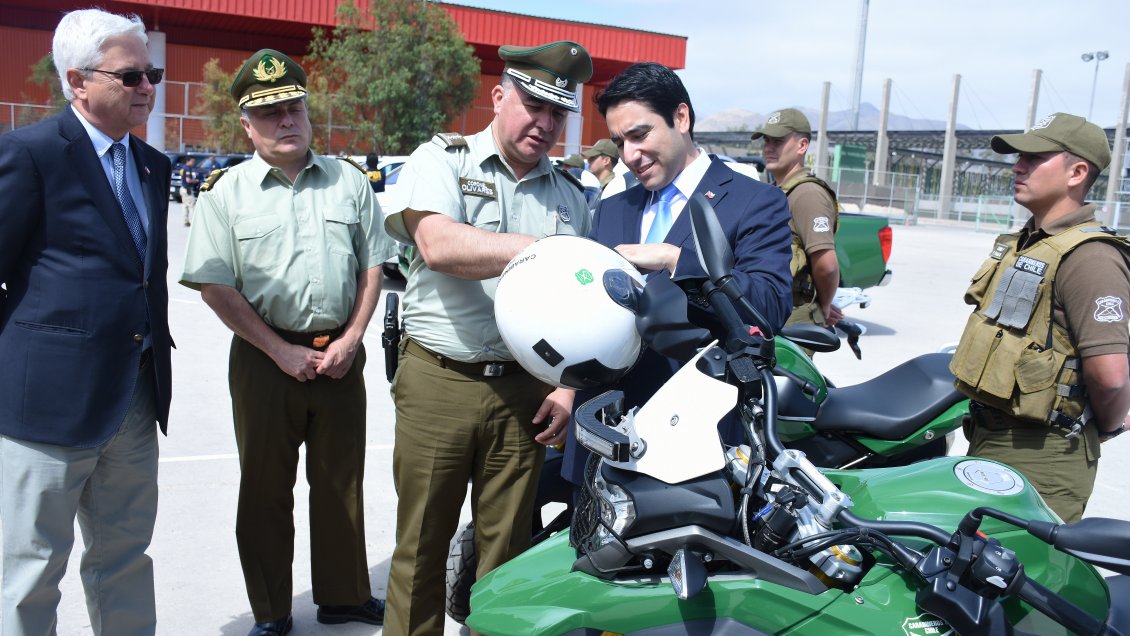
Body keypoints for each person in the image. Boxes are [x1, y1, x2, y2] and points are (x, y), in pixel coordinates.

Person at [180, 49, 394, 635]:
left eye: (294, 107)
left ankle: (344, 596)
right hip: (264, 361)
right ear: (246, 125)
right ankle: (272, 611)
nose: (286, 120)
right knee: (265, 491)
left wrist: (353, 338)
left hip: (341, 356)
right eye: (270, 112)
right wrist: (279, 350)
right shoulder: (226, 193)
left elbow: (373, 265)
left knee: (341, 484)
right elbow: (214, 286)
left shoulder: (350, 182)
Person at [381, 40, 593, 635]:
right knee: (422, 548)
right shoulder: (443, 162)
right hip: (441, 381)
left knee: (507, 557)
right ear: (499, 97)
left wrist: (569, 389)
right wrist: (546, 250)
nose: (545, 123)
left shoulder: (571, 196)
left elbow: (581, 307)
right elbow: (439, 245)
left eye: (558, 113)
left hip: (528, 394)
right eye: (533, 105)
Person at [0, 9, 173, 635]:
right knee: (31, 569)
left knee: (124, 556)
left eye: (151, 74)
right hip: (47, 407)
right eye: (131, 77)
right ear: (77, 81)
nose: (147, 87)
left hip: (135, 396)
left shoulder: (152, 166)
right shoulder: (31, 154)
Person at [561, 61, 792, 487]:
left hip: (694, 447)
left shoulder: (754, 202)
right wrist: (564, 387)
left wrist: (676, 261)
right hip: (604, 438)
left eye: (640, 135)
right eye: (620, 142)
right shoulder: (611, 209)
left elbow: (770, 306)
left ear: (681, 118)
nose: (630, 155)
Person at [951, 112, 1130, 523]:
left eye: (1034, 158)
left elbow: (1111, 376)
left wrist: (1103, 426)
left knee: (1018, 563)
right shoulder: (1027, 243)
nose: (1018, 166)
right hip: (991, 438)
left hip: (1042, 456)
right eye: (1019, 157)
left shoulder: (1091, 258)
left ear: (1077, 173)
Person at [753, 108, 842, 334]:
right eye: (766, 140)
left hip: (794, 319)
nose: (768, 147)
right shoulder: (778, 192)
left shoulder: (807, 194)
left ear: (802, 146)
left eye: (778, 141)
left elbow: (827, 266)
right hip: (774, 313)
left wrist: (823, 306)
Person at [180, 155, 202, 225]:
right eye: (192, 161)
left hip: (183, 188)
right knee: (193, 205)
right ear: (188, 161)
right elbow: (188, 180)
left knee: (185, 206)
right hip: (187, 189)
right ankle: (196, 223)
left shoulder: (183, 167)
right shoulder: (187, 169)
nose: (193, 163)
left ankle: (186, 221)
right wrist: (196, 181)